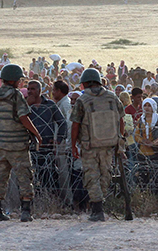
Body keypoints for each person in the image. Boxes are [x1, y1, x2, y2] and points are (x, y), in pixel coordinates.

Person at [0, 64, 41, 222]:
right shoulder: (16, 95)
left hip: (0, 143)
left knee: (0, 177)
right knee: (24, 176)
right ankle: (25, 212)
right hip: (17, 144)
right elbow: (23, 117)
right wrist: (36, 134)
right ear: (15, 80)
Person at [70, 68, 124, 221]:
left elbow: (75, 124)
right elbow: (120, 119)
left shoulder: (83, 100)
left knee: (91, 176)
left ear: (85, 83)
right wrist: (119, 139)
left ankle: (97, 208)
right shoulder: (112, 97)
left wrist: (73, 145)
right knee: (105, 175)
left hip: (89, 146)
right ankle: (100, 205)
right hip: (108, 144)